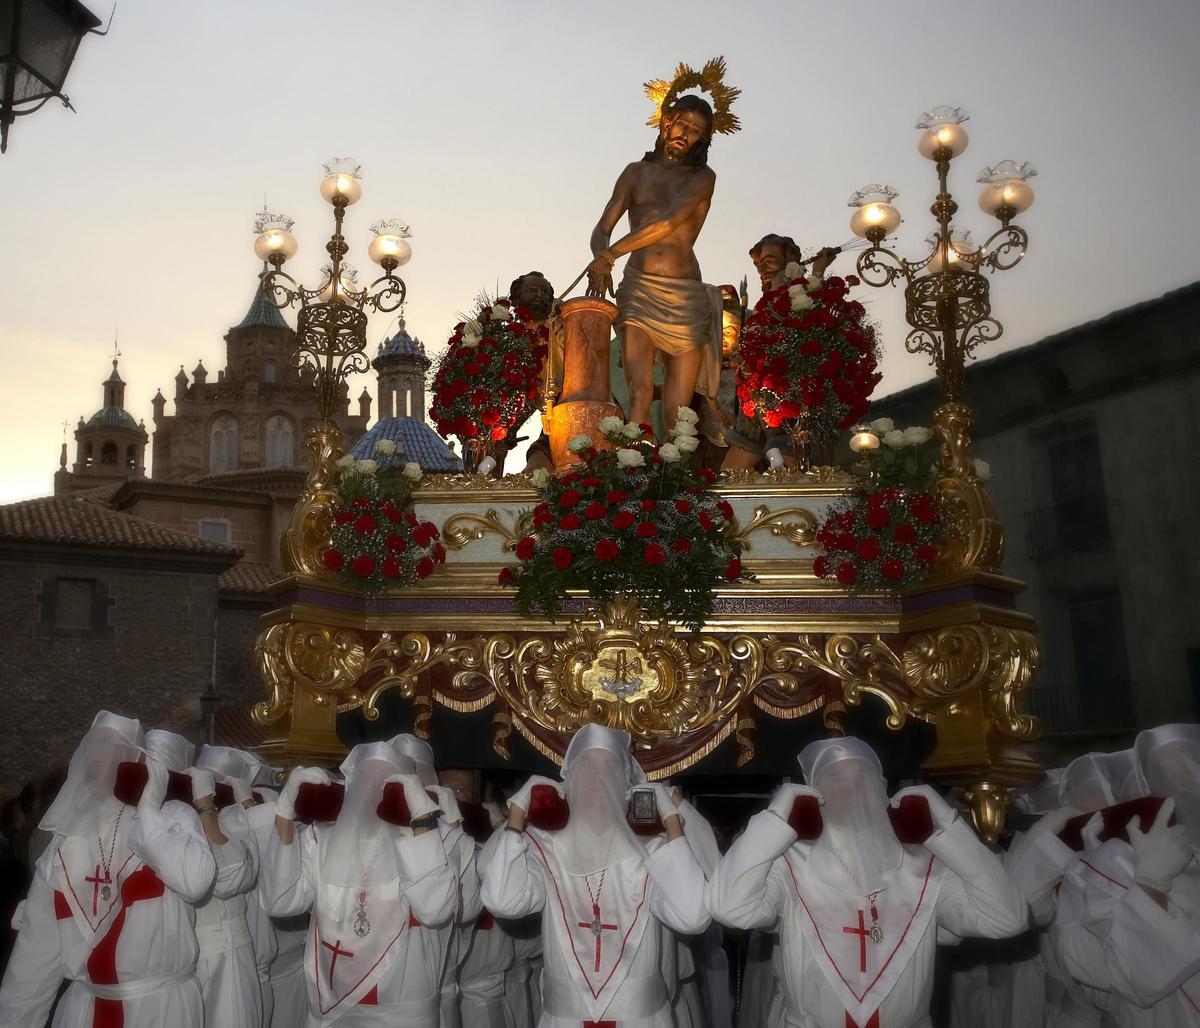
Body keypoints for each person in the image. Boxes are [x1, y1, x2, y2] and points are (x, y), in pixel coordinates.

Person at [706, 736, 1028, 1028]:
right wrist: (774, 819)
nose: (851, 789)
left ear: (881, 789)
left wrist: (949, 828)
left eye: (863, 777)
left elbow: (1007, 919)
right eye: (834, 779)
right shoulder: (790, 865)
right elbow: (729, 908)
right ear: (813, 792)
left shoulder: (924, 869)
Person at [480, 723, 710, 1028]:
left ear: (626, 784)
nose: (598, 778)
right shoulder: (544, 847)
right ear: (569, 779)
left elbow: (693, 916)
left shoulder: (653, 851)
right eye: (587, 767)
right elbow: (502, 900)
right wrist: (518, 814)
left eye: (610, 767)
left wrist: (671, 821)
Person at [0, 711, 217, 1028]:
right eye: (92, 748)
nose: (95, 760)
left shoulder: (172, 819)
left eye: (108, 749)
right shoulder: (64, 846)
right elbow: (31, 965)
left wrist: (148, 809)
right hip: (85, 1009)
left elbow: (195, 881)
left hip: (161, 1009)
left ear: (136, 759)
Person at [263, 741, 458, 1026]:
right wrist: (284, 812)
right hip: (332, 1007)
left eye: (383, 782)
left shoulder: (429, 841)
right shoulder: (321, 839)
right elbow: (280, 902)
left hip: (400, 1012)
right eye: (365, 781)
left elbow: (435, 910)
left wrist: (423, 820)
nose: (371, 790)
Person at [586, 93, 725, 439]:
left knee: (679, 408)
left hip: (685, 294)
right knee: (639, 392)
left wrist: (609, 255)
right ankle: (631, 473)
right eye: (682, 124)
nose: (686, 134)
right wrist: (600, 257)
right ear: (666, 123)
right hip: (639, 289)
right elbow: (602, 227)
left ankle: (675, 483)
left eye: (696, 131)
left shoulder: (703, 177)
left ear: (702, 140)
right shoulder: (635, 173)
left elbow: (667, 222)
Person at [1049, 725, 1200, 1026]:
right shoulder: (1105, 864)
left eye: (1188, 764)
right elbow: (1121, 978)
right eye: (1161, 770)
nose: (1178, 780)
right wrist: (1149, 885)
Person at [389, 735, 483, 1028]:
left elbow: (466, 911)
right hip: (381, 996)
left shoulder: (455, 839)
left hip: (436, 995)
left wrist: (452, 832)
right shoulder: (369, 837)